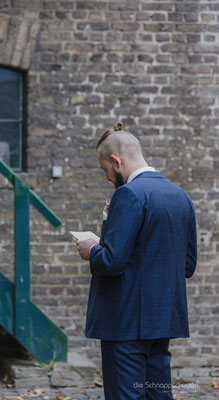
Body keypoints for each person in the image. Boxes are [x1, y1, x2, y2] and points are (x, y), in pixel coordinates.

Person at [76, 122, 197, 400]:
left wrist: (91, 249)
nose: (107, 178)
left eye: (104, 170)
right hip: (162, 323)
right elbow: (187, 266)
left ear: (116, 161)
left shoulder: (128, 194)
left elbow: (111, 261)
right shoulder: (181, 197)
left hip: (124, 324)